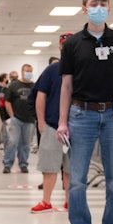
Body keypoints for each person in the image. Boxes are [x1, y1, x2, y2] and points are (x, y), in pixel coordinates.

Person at [56, 0, 113, 224]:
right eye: (93, 4)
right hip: (81, 114)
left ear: (109, 8)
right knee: (77, 179)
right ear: (84, 9)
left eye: (103, 4)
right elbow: (66, 86)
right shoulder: (72, 44)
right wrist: (62, 122)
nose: (98, 7)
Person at [30, 33, 72, 213]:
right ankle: (46, 201)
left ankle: (71, 201)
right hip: (52, 125)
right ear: (60, 47)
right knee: (49, 166)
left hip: (77, 127)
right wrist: (41, 123)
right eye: (65, 45)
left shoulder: (84, 69)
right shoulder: (52, 70)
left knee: (72, 168)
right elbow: (41, 96)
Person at [2, 63, 36, 174]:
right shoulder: (13, 85)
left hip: (30, 119)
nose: (29, 74)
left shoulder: (35, 86)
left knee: (26, 143)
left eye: (30, 72)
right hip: (16, 119)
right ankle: (7, 164)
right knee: (12, 142)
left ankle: (23, 164)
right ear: (22, 72)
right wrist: (12, 116)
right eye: (27, 71)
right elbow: (7, 101)